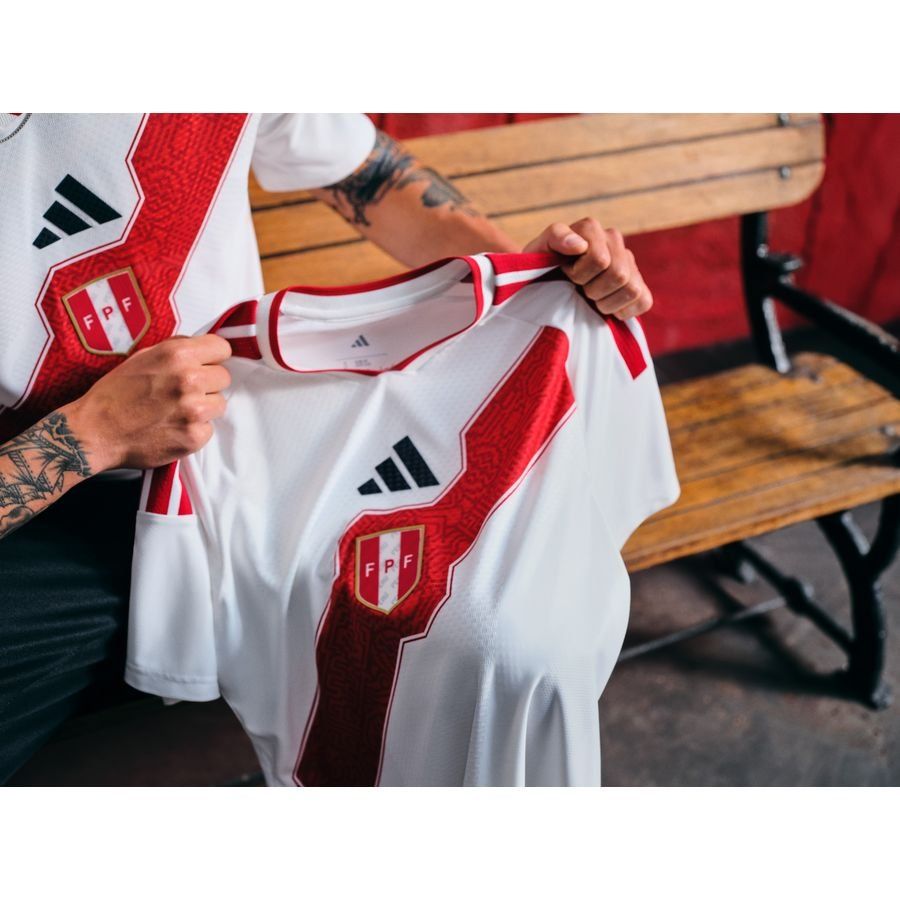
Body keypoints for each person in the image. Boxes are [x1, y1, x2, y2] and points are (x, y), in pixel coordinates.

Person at [0, 112, 653, 783]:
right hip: (49, 509)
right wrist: (89, 436)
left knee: (507, 646)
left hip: (258, 443)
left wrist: (527, 285)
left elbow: (370, 174)